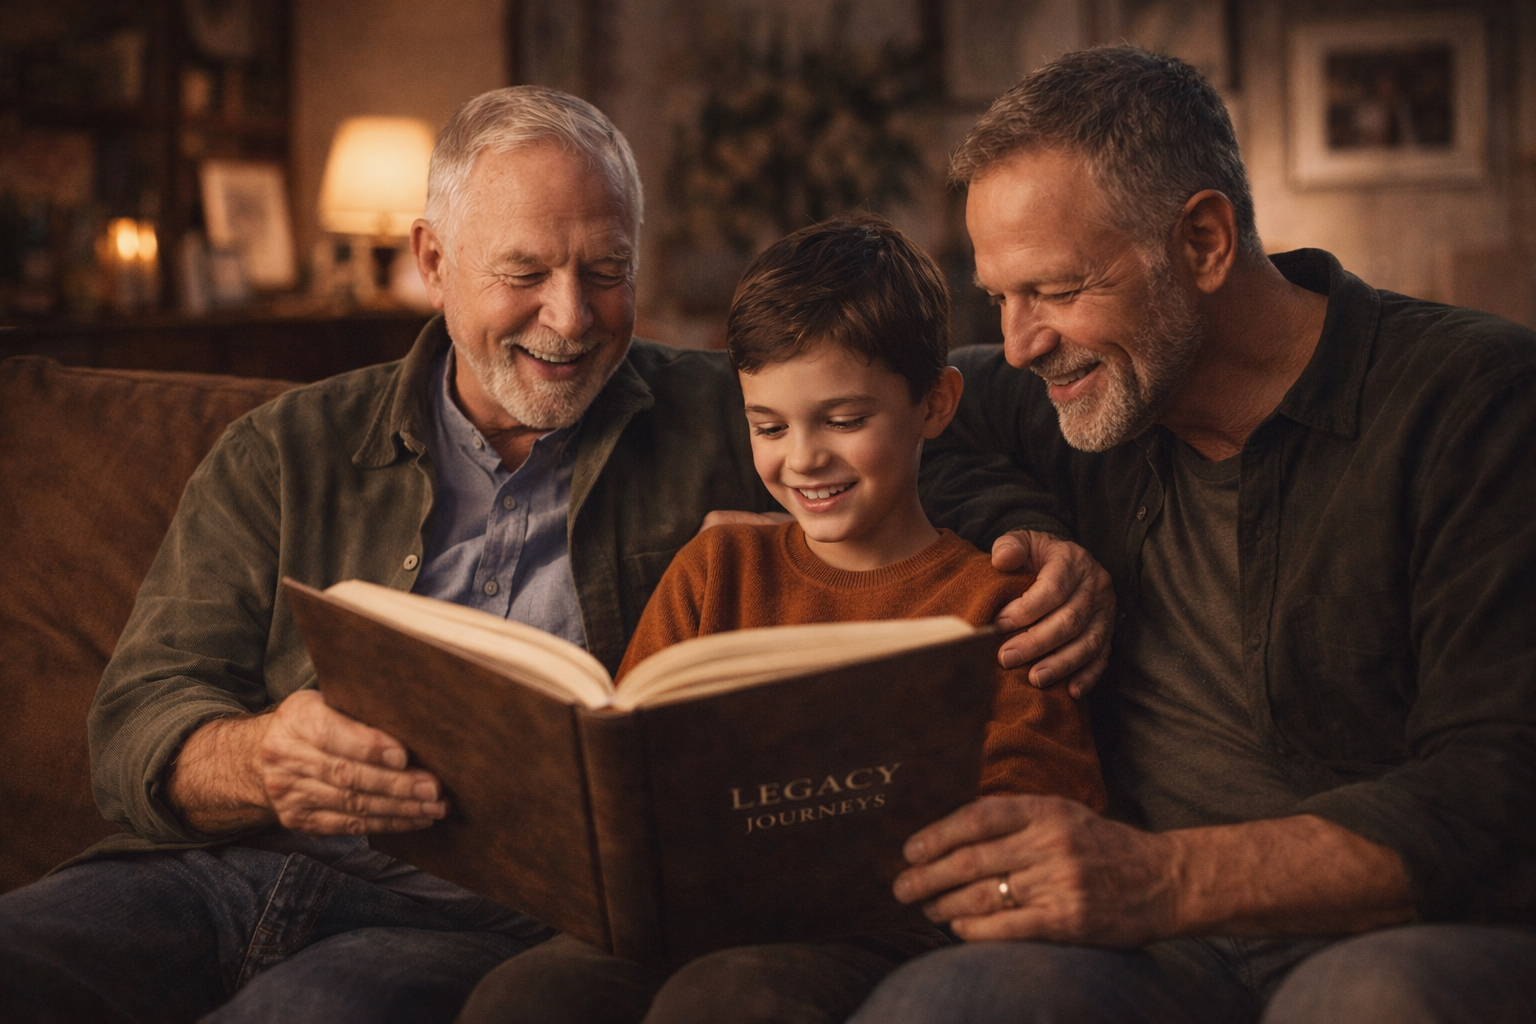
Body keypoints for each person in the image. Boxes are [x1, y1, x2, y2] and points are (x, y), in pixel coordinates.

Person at [0, 89, 1108, 1023]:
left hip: (462, 918)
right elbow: (135, 718)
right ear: (434, 259)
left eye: (607, 270)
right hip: (209, 875)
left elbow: (912, 457)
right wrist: (261, 754)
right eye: (525, 272)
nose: (571, 319)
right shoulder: (286, 450)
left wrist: (1049, 544)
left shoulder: (723, 413)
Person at [850, 45, 1536, 1024]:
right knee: (942, 1006)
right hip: (1161, 961)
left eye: (1053, 287)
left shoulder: (1477, 403)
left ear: (1205, 242)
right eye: (997, 295)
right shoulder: (1068, 391)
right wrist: (1033, 528)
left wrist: (1158, 877)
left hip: (1403, 932)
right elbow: (908, 413)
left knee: (1373, 1000)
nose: (1019, 341)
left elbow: (1504, 784)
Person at [458, 214, 1106, 1024]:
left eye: (843, 421)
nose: (802, 459)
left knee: (726, 999)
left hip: (884, 926)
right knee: (525, 993)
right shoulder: (716, 570)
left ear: (935, 405)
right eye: (768, 427)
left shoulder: (998, 604)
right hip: (689, 913)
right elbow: (626, 764)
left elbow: (1043, 802)